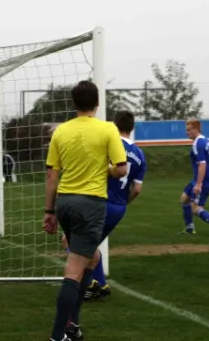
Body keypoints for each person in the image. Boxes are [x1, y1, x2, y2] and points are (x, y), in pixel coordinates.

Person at [43, 80, 128, 341]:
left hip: (65, 202)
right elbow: (121, 168)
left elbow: (51, 174)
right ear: (97, 102)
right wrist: (108, 170)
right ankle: (58, 335)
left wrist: (49, 211)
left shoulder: (60, 131)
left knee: (90, 259)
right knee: (75, 268)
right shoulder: (108, 130)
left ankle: (73, 325)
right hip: (90, 204)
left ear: (73, 103)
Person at [61, 110, 147, 301]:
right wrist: (125, 202)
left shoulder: (110, 144)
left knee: (69, 240)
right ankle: (102, 284)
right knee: (91, 245)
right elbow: (137, 189)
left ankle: (90, 283)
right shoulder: (140, 154)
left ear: (114, 125)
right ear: (132, 128)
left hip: (99, 202)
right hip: (119, 207)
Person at [179, 119, 209, 236]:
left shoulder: (197, 143)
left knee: (195, 208)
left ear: (196, 129)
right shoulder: (205, 141)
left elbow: (202, 164)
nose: (187, 132)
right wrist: (208, 166)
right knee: (184, 198)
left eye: (189, 130)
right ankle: (190, 227)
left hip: (202, 180)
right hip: (200, 178)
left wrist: (199, 184)